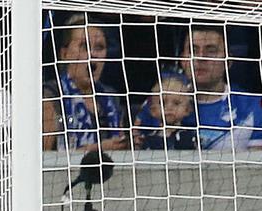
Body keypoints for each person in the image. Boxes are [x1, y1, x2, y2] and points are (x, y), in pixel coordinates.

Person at [41, 14, 127, 153]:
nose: (93, 54)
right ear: (64, 54)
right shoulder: (50, 96)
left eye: (99, 47)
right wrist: (98, 149)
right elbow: (44, 157)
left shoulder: (112, 97)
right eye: (84, 46)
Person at [178, 24, 262, 151]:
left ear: (228, 61)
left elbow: (257, 161)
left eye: (211, 51)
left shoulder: (253, 106)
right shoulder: (160, 103)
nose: (200, 57)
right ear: (182, 60)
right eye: (193, 50)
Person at [133, 72, 197, 151]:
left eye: (176, 103)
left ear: (187, 110)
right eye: (162, 103)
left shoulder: (189, 138)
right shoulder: (148, 139)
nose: (169, 108)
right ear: (153, 110)